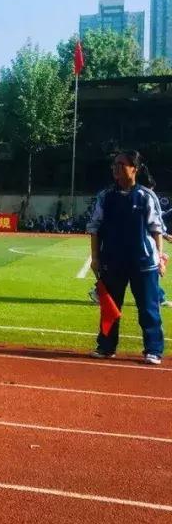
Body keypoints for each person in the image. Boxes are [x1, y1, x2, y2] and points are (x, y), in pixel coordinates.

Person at [87, 151, 166, 365]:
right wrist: (95, 257)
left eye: (122, 164)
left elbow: (156, 228)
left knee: (149, 308)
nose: (117, 168)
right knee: (110, 308)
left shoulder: (145, 196)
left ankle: (153, 349)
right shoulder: (105, 197)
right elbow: (94, 228)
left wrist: (159, 256)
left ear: (135, 169)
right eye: (114, 165)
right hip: (112, 261)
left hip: (144, 262)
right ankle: (106, 346)